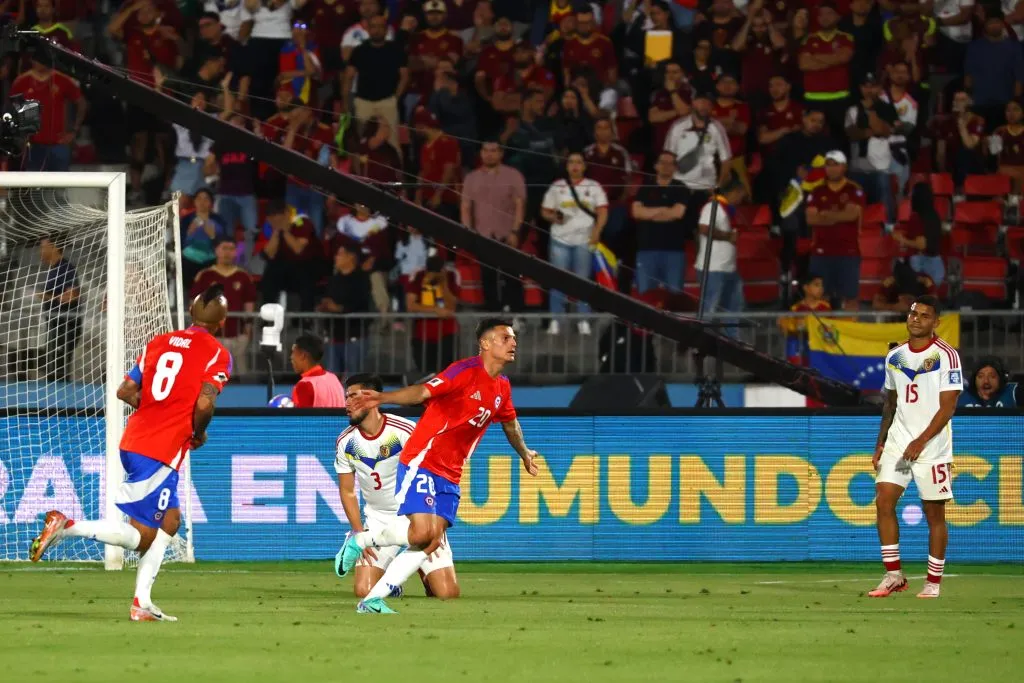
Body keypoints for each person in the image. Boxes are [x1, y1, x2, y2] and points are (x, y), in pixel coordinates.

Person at [29, 285, 232, 621]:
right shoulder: (217, 353)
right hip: (161, 450)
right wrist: (196, 432)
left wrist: (156, 410)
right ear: (222, 322)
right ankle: (68, 525)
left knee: (171, 520)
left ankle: (142, 602)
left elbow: (125, 390)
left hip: (135, 439)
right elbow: (206, 401)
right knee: (142, 538)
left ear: (191, 313)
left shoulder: (159, 343)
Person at [337, 318, 541, 613]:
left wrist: (523, 452)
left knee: (430, 541)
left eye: (513, 338)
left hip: (452, 472)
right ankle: (361, 542)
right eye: (505, 338)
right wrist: (383, 397)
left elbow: (509, 423)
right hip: (424, 460)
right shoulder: (463, 371)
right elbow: (421, 393)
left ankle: (372, 602)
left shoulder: (502, 387)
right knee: (422, 534)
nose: (513, 343)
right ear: (485, 344)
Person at [333, 374, 460, 599]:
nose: (347, 403)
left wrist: (434, 523)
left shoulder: (404, 431)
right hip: (379, 521)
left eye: (353, 396)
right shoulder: (345, 442)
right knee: (364, 590)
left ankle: (422, 569)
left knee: (446, 593)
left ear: (372, 399)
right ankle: (394, 586)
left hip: (417, 516)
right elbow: (347, 490)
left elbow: (434, 473)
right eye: (346, 397)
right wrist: (358, 531)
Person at [870, 295, 962, 599]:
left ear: (935, 322)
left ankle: (933, 582)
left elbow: (948, 407)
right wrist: (882, 442)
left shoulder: (947, 355)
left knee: (934, 515)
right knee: (884, 500)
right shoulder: (894, 356)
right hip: (900, 444)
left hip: (931, 447)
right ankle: (893, 575)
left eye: (924, 315)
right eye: (913, 313)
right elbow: (891, 402)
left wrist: (921, 441)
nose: (916, 319)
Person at [540, 152, 608, 336]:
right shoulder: (557, 187)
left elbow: (602, 212)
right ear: (567, 166)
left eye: (579, 162)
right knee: (557, 281)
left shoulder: (593, 187)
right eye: (571, 162)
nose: (575, 166)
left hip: (584, 241)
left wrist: (596, 232)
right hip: (559, 240)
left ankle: (583, 320)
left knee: (582, 281)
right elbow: (545, 211)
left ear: (584, 166)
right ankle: (556, 320)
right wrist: (554, 217)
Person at [805, 150, 866, 311]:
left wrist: (825, 215)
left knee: (850, 298)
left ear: (844, 167)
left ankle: (852, 334)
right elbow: (811, 218)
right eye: (828, 165)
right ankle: (822, 335)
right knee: (820, 298)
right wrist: (839, 215)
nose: (831, 169)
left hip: (848, 252)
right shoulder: (817, 191)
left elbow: (851, 215)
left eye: (836, 165)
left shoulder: (854, 190)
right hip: (821, 253)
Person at [190, 239, 257, 377]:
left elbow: (249, 304)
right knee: (213, 373)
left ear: (236, 252)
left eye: (231, 249)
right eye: (224, 248)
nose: (227, 252)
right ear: (216, 250)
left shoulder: (243, 276)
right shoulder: (205, 275)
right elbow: (194, 303)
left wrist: (247, 330)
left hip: (237, 335)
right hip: (211, 336)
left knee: (240, 374)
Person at [694, 181, 746, 339]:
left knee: (734, 307)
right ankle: (702, 344)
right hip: (713, 268)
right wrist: (727, 236)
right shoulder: (713, 206)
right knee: (710, 308)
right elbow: (703, 228)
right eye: (741, 194)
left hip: (729, 268)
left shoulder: (728, 209)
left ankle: (734, 344)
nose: (742, 198)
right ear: (735, 191)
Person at [631, 151, 688, 293]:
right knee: (645, 296)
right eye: (663, 162)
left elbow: (677, 213)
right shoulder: (645, 187)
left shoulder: (681, 188)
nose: (666, 166)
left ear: (675, 168)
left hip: (674, 251)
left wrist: (649, 213)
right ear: (656, 166)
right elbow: (637, 212)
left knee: (675, 297)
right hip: (646, 249)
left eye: (670, 163)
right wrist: (663, 210)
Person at [318, 243, 371, 375]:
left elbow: (361, 303)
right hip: (333, 335)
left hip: (354, 336)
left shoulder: (361, 279)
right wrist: (324, 305)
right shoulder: (333, 280)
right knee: (331, 378)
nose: (336, 257)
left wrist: (339, 308)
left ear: (351, 257)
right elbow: (327, 299)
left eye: (340, 254)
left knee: (352, 379)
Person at [407, 251, 460, 371]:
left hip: (447, 333)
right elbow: (411, 305)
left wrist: (444, 283)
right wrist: (435, 310)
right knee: (425, 373)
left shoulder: (451, 275)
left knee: (447, 375)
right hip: (423, 334)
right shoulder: (418, 275)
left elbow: (451, 306)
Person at [38, 236, 80, 382]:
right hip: (55, 326)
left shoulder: (66, 268)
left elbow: (72, 296)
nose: (41, 251)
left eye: (44, 247)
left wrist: (47, 296)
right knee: (53, 366)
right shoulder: (52, 270)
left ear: (55, 247)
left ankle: (63, 403)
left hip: (66, 327)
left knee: (59, 368)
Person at [778, 274, 832, 366]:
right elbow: (789, 328)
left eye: (821, 286)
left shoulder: (826, 307)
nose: (821, 288)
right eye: (816, 285)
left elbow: (831, 327)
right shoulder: (796, 308)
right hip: (801, 348)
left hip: (819, 348)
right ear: (806, 288)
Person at [289, 332, 345, 408]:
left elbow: (302, 419)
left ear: (303, 355)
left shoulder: (304, 386)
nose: (291, 357)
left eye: (293, 352)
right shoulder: (333, 378)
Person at [958, 357, 1024, 407]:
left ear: (1001, 379)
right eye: (980, 376)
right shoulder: (959, 395)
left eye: (992, 376)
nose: (986, 381)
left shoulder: (1014, 392)